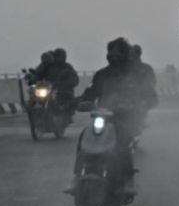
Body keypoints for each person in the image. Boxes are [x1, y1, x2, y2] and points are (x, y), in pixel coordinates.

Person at [77, 38, 157, 188]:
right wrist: (82, 101)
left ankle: (127, 179)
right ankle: (77, 175)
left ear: (126, 54)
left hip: (125, 119)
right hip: (103, 117)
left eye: (118, 52)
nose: (114, 56)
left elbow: (150, 95)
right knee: (84, 137)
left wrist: (141, 105)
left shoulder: (137, 74)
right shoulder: (102, 74)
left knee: (122, 143)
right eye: (111, 52)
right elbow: (92, 91)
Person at [49, 48, 80, 113]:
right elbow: (40, 75)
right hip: (50, 90)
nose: (59, 58)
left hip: (64, 91)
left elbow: (75, 79)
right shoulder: (49, 67)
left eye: (60, 56)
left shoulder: (67, 67)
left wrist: (65, 84)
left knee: (69, 100)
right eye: (57, 56)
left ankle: (68, 114)